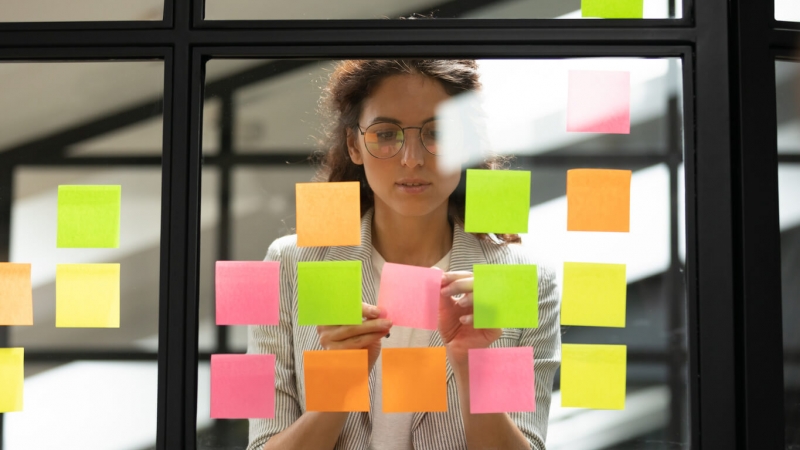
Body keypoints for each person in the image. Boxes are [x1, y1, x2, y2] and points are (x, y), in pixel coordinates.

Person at [247, 59, 560, 450]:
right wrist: (341, 384)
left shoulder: (522, 280)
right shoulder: (290, 265)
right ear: (353, 145)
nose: (412, 158)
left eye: (439, 133)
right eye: (385, 134)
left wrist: (472, 369)